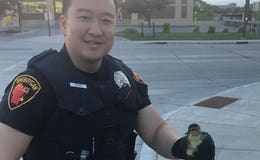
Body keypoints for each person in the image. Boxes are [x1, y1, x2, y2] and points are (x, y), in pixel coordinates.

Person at [0, 0, 215, 159]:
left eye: (106, 21)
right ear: (64, 25)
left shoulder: (124, 77)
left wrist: (183, 147)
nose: (96, 30)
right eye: (84, 18)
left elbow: (156, 130)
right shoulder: (36, 85)